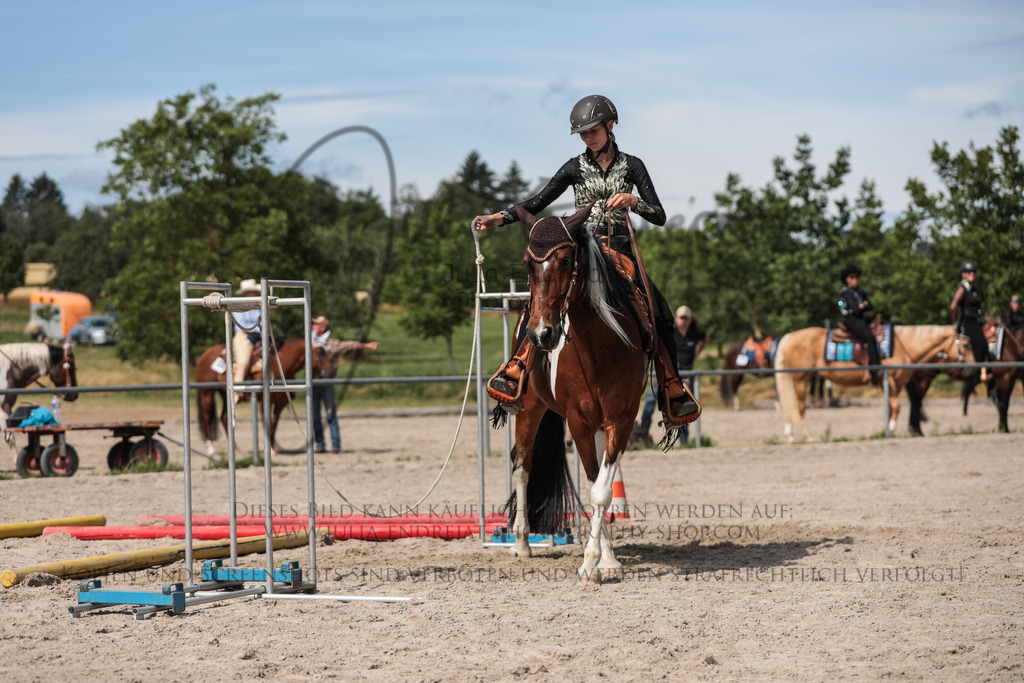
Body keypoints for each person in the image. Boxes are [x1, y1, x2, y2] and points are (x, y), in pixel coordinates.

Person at [473, 94, 699, 430]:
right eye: (582, 133)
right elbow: (536, 201)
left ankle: (672, 388)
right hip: (581, 248)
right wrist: (498, 218)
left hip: (620, 249)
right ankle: (517, 366)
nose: (587, 137)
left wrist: (634, 201)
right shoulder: (573, 168)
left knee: (660, 311)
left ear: (610, 125)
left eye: (592, 130)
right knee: (541, 302)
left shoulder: (633, 165)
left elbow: (661, 216)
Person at [634, 305, 708, 445]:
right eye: (681, 318)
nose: (683, 321)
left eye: (686, 318)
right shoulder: (671, 332)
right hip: (666, 371)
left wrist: (698, 354)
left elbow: (705, 338)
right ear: (677, 318)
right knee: (651, 397)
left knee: (685, 406)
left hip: (685, 376)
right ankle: (643, 428)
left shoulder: (695, 333)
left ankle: (684, 441)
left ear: (690, 319)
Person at [310, 315, 379, 453]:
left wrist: (365, 345)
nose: (313, 326)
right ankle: (321, 445)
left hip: (327, 384)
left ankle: (335, 445)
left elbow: (349, 345)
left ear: (323, 328)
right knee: (315, 416)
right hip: (313, 384)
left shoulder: (332, 344)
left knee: (330, 414)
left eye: (316, 324)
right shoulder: (309, 343)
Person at [837, 265, 881, 385]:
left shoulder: (859, 292)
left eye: (857, 277)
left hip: (861, 319)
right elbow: (856, 309)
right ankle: (875, 370)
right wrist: (863, 305)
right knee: (870, 337)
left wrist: (863, 306)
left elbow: (871, 305)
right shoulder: (845, 293)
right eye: (852, 277)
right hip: (852, 320)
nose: (855, 279)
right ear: (847, 279)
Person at [950, 260, 989, 382]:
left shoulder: (973, 288)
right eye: (969, 271)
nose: (972, 273)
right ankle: (975, 373)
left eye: (974, 271)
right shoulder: (963, 288)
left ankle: (987, 370)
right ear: (963, 274)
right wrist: (955, 323)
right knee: (981, 342)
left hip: (977, 321)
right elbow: (953, 306)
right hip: (968, 323)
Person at [232, 279, 263, 404]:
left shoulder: (259, 305)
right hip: (244, 336)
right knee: (243, 362)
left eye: (254, 292)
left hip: (259, 337)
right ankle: (236, 392)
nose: (254, 294)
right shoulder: (237, 305)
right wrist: (259, 328)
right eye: (251, 292)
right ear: (246, 293)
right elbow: (240, 326)